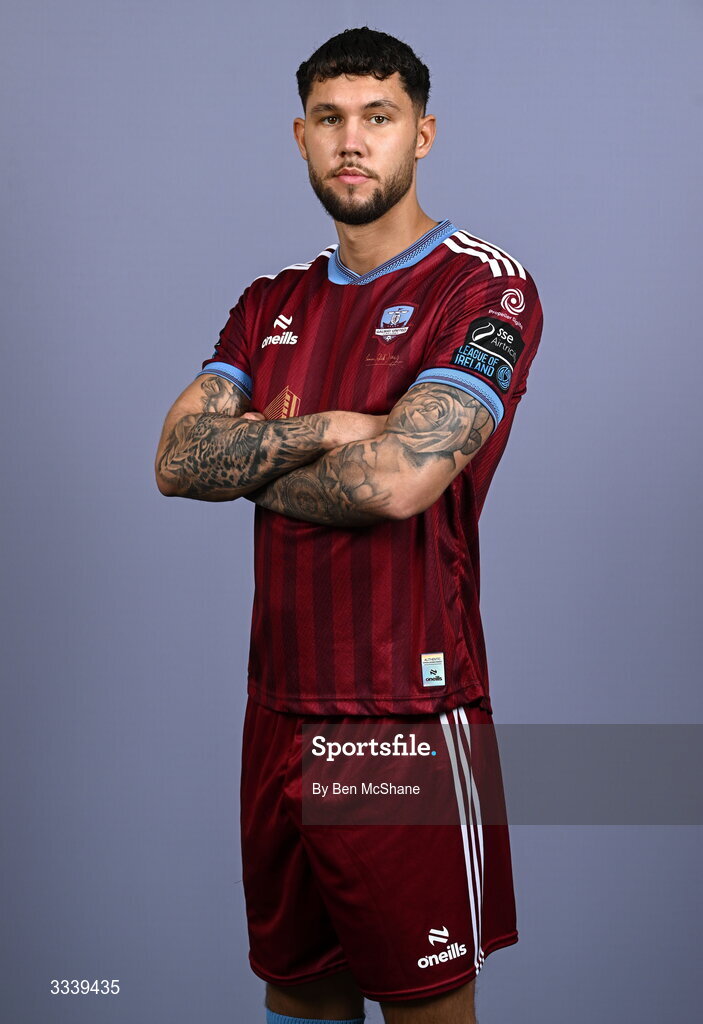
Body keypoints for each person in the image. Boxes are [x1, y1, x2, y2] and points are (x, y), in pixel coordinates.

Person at [155, 26, 543, 1024]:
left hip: (399, 724)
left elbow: (395, 485)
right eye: (330, 119)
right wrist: (330, 426)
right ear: (299, 136)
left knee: (425, 1006)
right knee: (298, 995)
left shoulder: (478, 283)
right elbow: (173, 461)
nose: (351, 141)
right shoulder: (270, 302)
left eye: (378, 117)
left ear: (422, 133)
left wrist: (248, 460)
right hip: (275, 712)